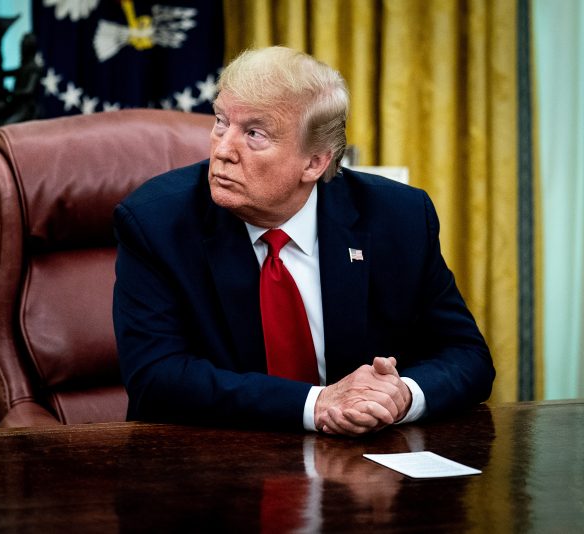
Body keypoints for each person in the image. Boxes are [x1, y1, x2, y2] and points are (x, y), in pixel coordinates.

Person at [112, 46, 495, 436]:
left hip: (361, 469)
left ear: (314, 162)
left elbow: (467, 356)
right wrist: (318, 404)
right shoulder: (156, 222)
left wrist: (401, 397)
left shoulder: (399, 218)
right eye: (221, 122)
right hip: (209, 466)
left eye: (254, 134)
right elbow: (156, 379)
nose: (223, 150)